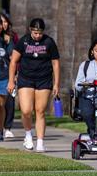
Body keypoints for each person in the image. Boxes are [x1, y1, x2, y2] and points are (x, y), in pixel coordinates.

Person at [7, 18, 60, 152]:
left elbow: (55, 63)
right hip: (26, 79)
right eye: (35, 32)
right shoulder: (23, 41)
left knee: (40, 111)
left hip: (44, 79)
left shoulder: (49, 42)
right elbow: (13, 61)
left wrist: (56, 84)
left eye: (40, 33)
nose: (37, 35)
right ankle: (28, 135)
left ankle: (40, 142)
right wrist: (11, 80)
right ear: (30, 30)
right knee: (26, 110)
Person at [0, 12, 19, 138]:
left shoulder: (13, 37)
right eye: (1, 22)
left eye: (5, 21)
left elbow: (16, 57)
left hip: (9, 74)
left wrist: (16, 74)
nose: (4, 24)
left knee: (10, 102)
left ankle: (8, 127)